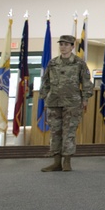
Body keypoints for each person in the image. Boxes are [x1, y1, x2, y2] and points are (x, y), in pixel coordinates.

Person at [38, 34, 93, 172]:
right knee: (55, 132)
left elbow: (86, 82)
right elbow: (45, 82)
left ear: (72, 46)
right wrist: (44, 97)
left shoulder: (79, 63)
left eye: (66, 44)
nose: (63, 47)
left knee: (69, 132)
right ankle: (56, 162)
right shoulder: (53, 63)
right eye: (61, 44)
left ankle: (67, 161)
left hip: (72, 103)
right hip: (54, 102)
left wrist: (85, 98)